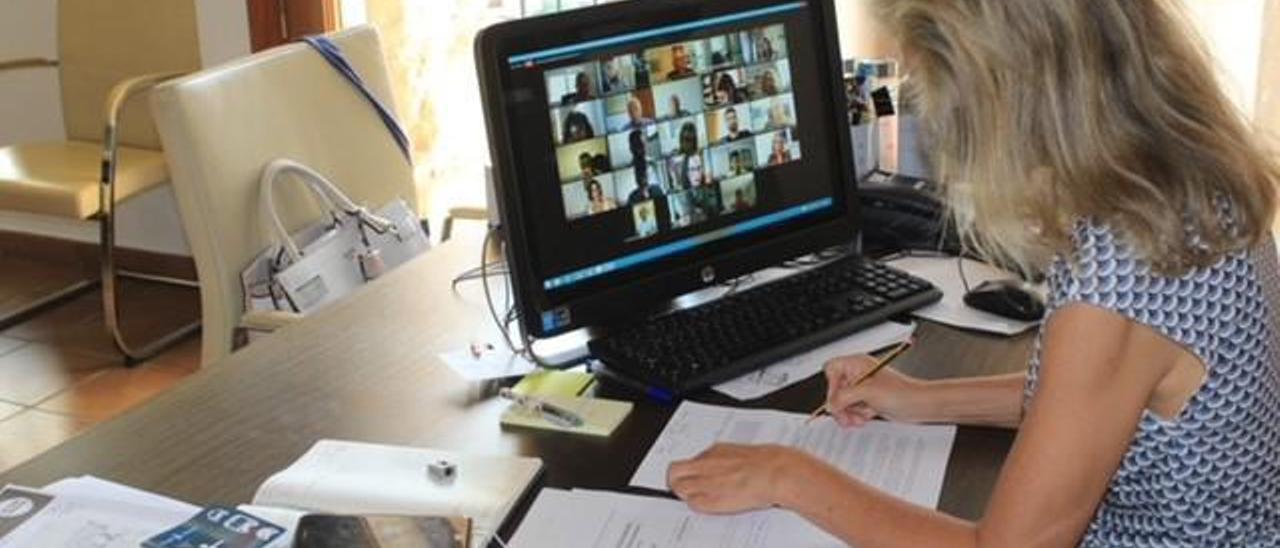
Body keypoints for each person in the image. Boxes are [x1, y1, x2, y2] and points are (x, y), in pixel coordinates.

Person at [667, 2, 1280, 546]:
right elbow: (1093, 399)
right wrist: (920, 400)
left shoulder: (1120, 281)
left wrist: (789, 474)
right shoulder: (1183, 183)